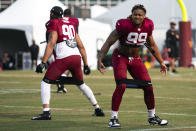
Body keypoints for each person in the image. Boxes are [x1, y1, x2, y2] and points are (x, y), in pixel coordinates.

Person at [98, 4, 168, 128]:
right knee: (122, 85)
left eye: (140, 15)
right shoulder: (124, 25)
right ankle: (113, 118)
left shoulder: (148, 26)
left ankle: (152, 116)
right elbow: (109, 41)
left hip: (135, 59)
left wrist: (161, 62)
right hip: (121, 57)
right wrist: (100, 59)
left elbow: (152, 46)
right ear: (131, 15)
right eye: (135, 14)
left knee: (148, 87)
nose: (137, 17)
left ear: (144, 16)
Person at [31, 6, 104, 120]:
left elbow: (51, 43)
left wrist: (43, 62)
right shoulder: (71, 25)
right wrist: (85, 64)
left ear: (51, 13)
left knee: (45, 82)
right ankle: (98, 109)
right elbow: (81, 46)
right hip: (76, 58)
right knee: (80, 84)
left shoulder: (53, 23)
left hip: (64, 58)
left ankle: (46, 112)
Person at [56, 8, 80, 93]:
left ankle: (60, 86)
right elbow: (75, 33)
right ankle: (62, 79)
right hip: (71, 44)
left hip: (59, 45)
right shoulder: (74, 20)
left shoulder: (58, 20)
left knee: (60, 65)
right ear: (71, 14)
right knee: (72, 66)